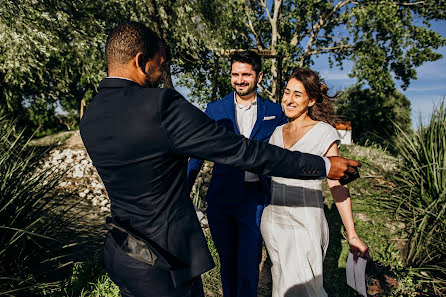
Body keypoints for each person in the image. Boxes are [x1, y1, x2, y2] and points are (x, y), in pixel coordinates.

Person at [80, 21, 361, 297]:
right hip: (164, 261)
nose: (161, 71)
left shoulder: (91, 117)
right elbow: (244, 151)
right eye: (160, 64)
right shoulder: (161, 105)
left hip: (121, 254)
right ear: (141, 61)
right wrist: (323, 165)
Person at [260, 68, 369, 297]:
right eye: (287, 92)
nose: (289, 99)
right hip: (274, 221)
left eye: (297, 95)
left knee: (308, 289)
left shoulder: (323, 132)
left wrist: (352, 235)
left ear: (311, 100)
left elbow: (337, 184)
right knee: (281, 285)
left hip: (306, 220)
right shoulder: (276, 133)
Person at [187, 50, 286, 297]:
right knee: (227, 263)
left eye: (245, 74)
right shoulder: (214, 109)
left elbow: (288, 152)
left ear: (259, 76)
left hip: (254, 199)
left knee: (249, 262)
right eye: (235, 74)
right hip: (221, 198)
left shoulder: (274, 112)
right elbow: (197, 152)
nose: (239, 80)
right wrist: (182, 189)